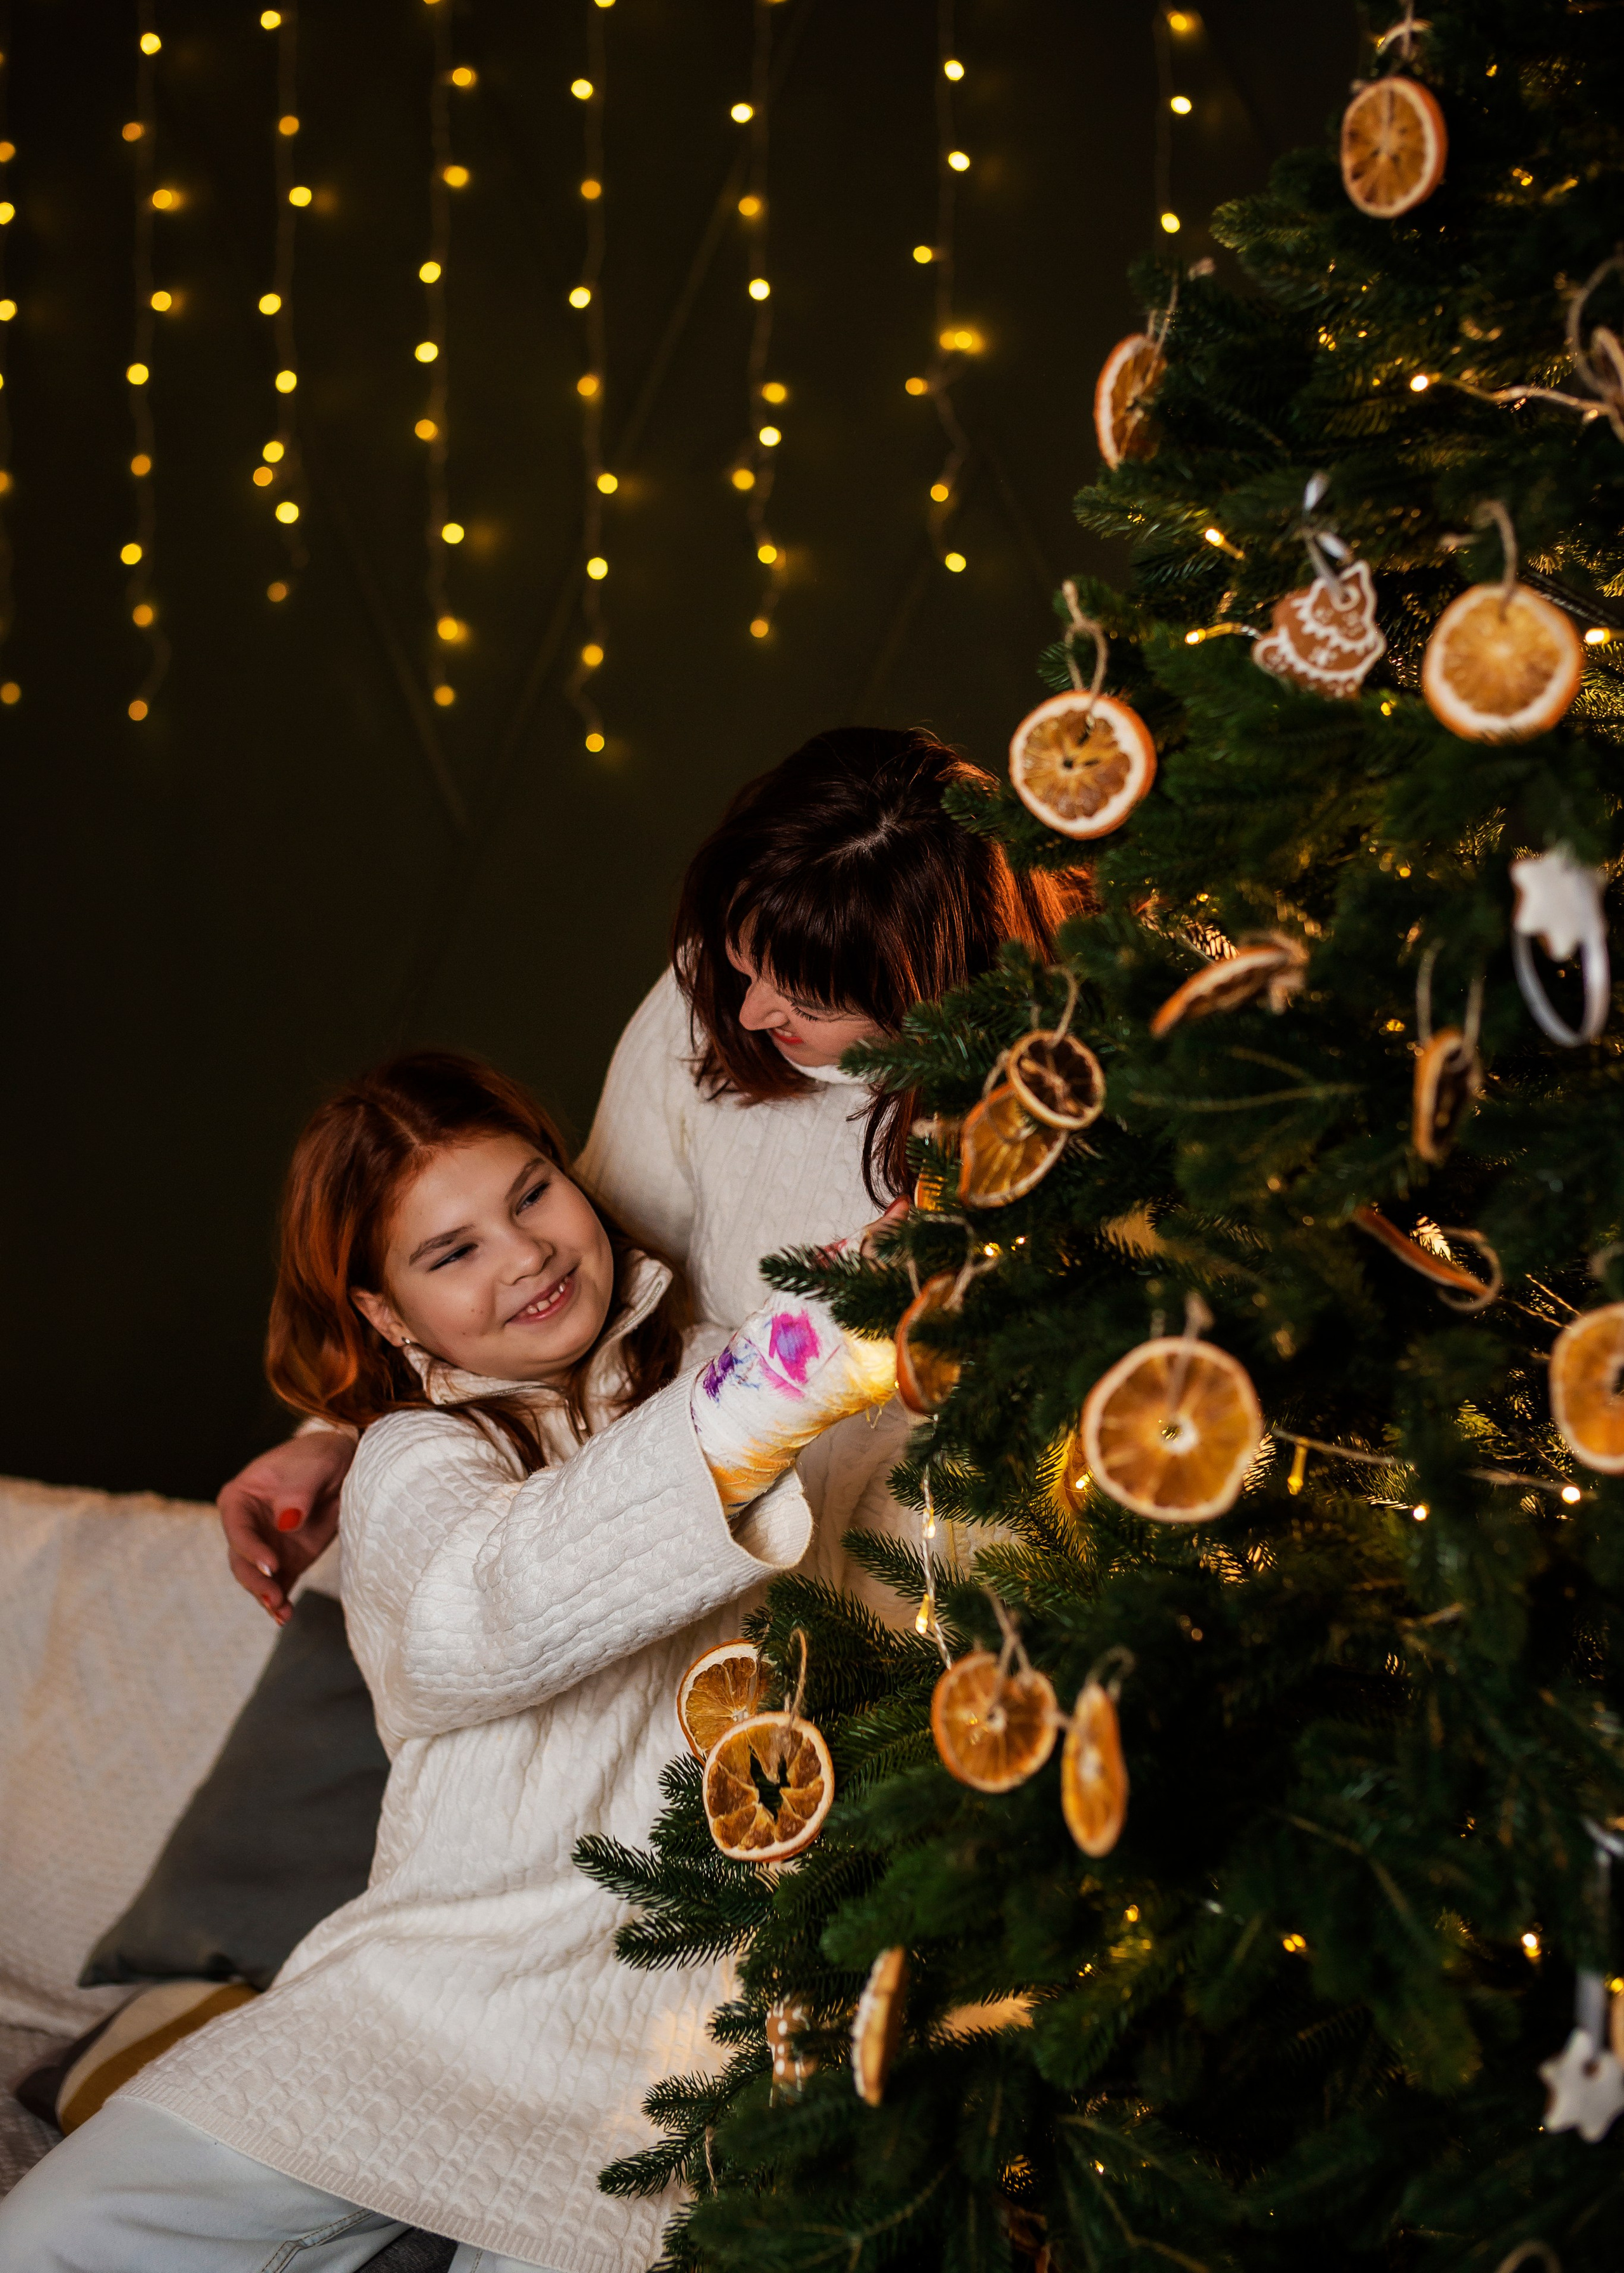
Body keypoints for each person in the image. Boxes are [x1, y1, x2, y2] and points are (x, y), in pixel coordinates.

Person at [0, 1051, 898, 2273]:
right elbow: (480, 1619)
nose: (525, 1255)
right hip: (425, 2003)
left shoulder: (719, 1366)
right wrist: (774, 1388)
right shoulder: (413, 1460)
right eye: (451, 1253)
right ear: (385, 1315)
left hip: (663, 2030)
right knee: (47, 2236)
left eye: (533, 1194)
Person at [219, 725, 1085, 1621]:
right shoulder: (698, 1011)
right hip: (689, 1603)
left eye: (807, 999)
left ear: (927, 990)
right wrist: (347, 1431)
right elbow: (545, 1264)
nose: (747, 1012)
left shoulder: (1053, 1116)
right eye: (739, 956)